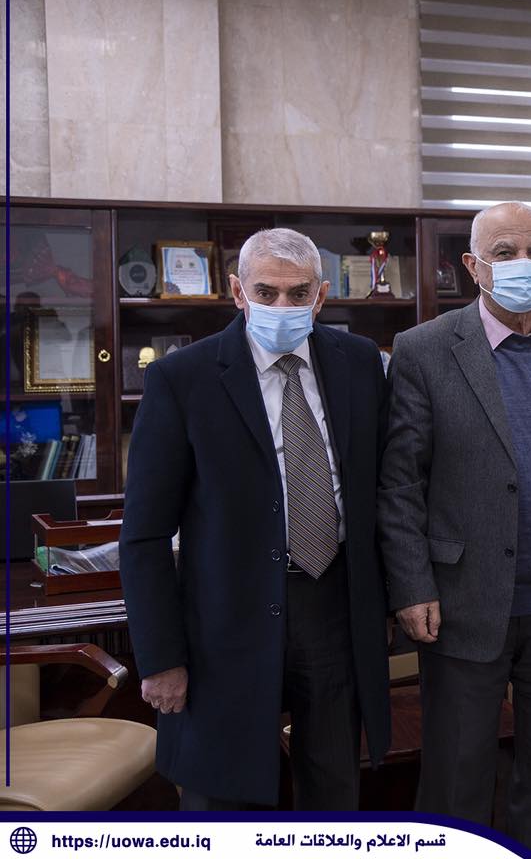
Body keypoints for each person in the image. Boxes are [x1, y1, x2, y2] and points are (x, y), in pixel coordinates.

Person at [378, 201, 531, 858]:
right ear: (473, 266)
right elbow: (400, 484)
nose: (524, 264)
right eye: (505, 253)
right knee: (458, 768)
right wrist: (411, 586)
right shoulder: (424, 349)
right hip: (462, 599)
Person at [119, 228, 391, 810]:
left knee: (334, 792)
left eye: (298, 294)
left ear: (321, 296)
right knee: (224, 801)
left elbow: (381, 487)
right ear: (238, 291)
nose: (282, 306)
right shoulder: (181, 378)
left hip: (334, 604)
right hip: (225, 618)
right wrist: (161, 657)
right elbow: (143, 535)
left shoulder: (360, 362)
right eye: (266, 292)